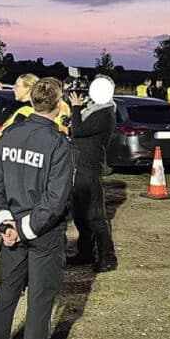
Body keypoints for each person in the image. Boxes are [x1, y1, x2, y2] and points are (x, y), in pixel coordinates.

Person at [0, 77, 72, 339]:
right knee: (39, 305)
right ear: (58, 104)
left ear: (31, 101)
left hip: (11, 232)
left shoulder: (8, 135)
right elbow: (55, 199)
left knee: (6, 296)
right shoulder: (59, 145)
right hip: (43, 235)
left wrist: (5, 222)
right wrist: (25, 227)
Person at [67, 76, 118, 272]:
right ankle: (85, 253)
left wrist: (76, 107)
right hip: (80, 166)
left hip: (89, 166)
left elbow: (78, 131)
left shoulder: (105, 113)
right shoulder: (95, 108)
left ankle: (107, 257)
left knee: (95, 216)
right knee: (80, 214)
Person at [0, 73, 38, 142]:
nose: (14, 88)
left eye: (17, 86)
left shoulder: (28, 111)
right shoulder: (13, 106)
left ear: (28, 89)